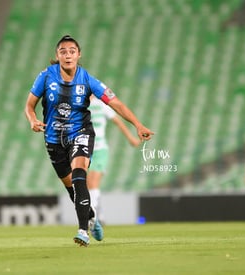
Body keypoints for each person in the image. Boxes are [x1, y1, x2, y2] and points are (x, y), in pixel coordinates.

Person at [24, 35, 154, 246]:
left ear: (78, 54)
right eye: (63, 51)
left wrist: (138, 125)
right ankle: (91, 216)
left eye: (72, 51)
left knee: (79, 175)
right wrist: (32, 119)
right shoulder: (46, 77)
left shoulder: (87, 80)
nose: (68, 55)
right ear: (57, 55)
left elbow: (116, 103)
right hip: (53, 139)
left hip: (80, 132)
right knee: (71, 189)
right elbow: (29, 105)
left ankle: (83, 230)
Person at [87, 94, 141, 223]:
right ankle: (99, 216)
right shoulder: (80, 105)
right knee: (90, 184)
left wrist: (130, 138)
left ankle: (95, 217)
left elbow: (117, 121)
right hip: (86, 149)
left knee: (93, 182)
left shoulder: (101, 105)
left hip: (100, 149)